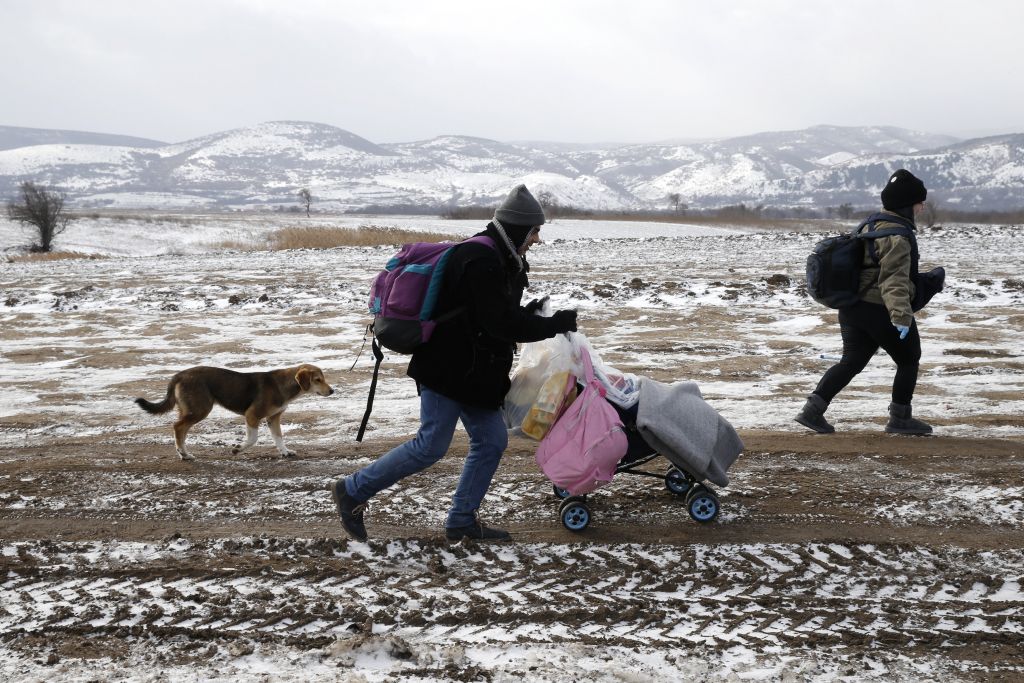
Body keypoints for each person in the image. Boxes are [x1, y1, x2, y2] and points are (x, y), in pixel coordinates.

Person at [331, 184, 578, 542]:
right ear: (518, 228)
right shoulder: (480, 260)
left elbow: (492, 318)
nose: (537, 239)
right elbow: (498, 323)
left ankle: (461, 520)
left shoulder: (503, 258)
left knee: (492, 440)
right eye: (535, 230)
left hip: (475, 373)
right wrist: (551, 324)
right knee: (431, 444)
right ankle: (352, 490)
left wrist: (531, 313)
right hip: (446, 369)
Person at [795, 169, 935, 436]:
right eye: (919, 201)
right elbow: (893, 280)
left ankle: (811, 411)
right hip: (878, 309)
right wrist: (901, 317)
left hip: (851, 308)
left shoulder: (869, 225)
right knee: (909, 359)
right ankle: (900, 418)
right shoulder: (897, 236)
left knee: (851, 361)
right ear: (908, 204)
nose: (921, 207)